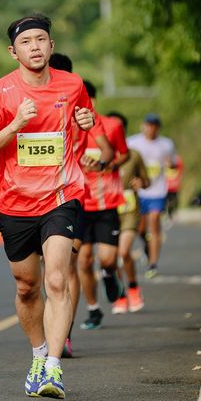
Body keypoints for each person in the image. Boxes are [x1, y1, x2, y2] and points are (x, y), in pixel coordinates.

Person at [0, 14, 103, 400]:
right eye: (26, 42)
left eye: (41, 39)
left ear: (51, 45)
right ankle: (38, 354)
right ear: (13, 52)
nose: (35, 47)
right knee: (27, 286)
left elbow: (85, 120)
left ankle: (53, 368)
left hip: (62, 196)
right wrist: (15, 124)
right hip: (16, 202)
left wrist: (87, 120)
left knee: (58, 279)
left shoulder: (72, 84)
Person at [48, 54, 114, 356]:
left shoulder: (80, 109)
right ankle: (54, 331)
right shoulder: (27, 105)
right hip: (34, 199)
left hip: (71, 197)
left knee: (65, 267)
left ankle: (64, 334)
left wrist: (98, 162)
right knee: (43, 273)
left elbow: (107, 150)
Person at [77, 84, 129, 329]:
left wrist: (107, 165)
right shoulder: (67, 128)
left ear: (94, 101)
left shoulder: (112, 126)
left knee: (107, 259)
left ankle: (109, 274)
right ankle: (93, 309)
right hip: (79, 203)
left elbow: (124, 154)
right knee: (84, 260)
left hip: (107, 201)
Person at [106, 112, 150, 314]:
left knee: (124, 251)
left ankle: (133, 288)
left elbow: (147, 180)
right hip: (108, 210)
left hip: (129, 210)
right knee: (112, 257)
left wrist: (141, 182)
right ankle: (121, 295)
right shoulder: (101, 154)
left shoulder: (134, 155)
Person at [127, 114, 177, 278]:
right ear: (143, 126)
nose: (151, 129)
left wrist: (171, 164)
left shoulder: (166, 144)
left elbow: (174, 164)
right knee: (140, 228)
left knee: (154, 222)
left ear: (158, 128)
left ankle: (153, 264)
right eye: (148, 125)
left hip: (157, 190)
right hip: (138, 192)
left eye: (154, 126)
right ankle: (147, 246)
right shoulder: (133, 142)